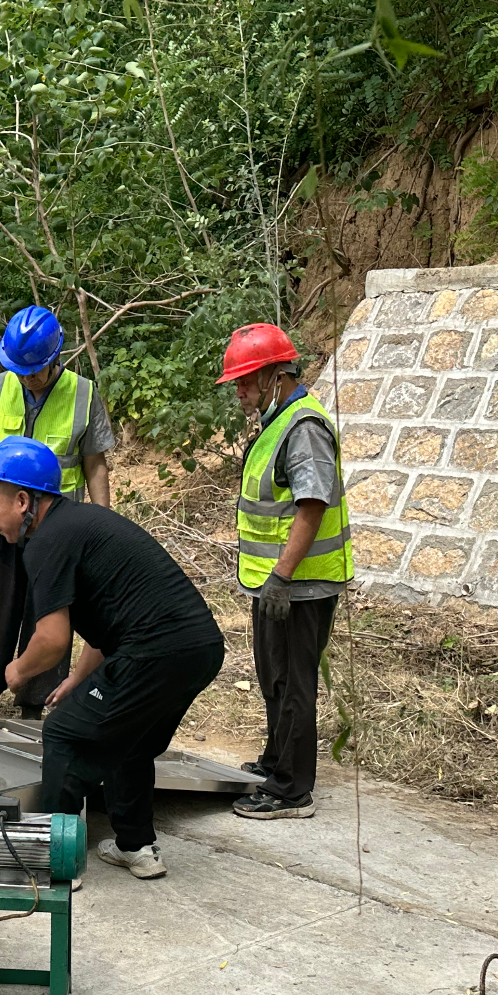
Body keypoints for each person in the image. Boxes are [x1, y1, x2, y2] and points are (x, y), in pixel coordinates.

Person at [0, 436, 226, 880]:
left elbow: (51, 639)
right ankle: (136, 848)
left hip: (153, 652)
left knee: (63, 733)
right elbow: (107, 627)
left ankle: (54, 864)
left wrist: (16, 670)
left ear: (22, 501)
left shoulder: (46, 542)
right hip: (200, 648)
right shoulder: (78, 523)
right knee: (127, 739)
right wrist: (78, 679)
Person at [219, 323, 354, 820]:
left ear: (276, 376)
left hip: (300, 585)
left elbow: (311, 505)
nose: (239, 391)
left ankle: (291, 789)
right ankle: (277, 761)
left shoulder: (303, 428)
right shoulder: (278, 421)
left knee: (294, 683)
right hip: (275, 582)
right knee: (273, 676)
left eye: (244, 381)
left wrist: (282, 575)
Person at [0, 305, 115, 720]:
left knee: (47, 616)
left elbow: (95, 464)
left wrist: (102, 524)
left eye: (34, 370)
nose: (26, 377)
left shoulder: (82, 394)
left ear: (55, 357)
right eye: (19, 369)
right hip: (2, 527)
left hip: (56, 533)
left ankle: (34, 705)